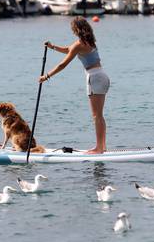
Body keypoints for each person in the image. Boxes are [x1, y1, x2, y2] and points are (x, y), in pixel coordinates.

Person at [39, 16, 110, 154]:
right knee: (99, 115)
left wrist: (46, 76)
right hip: (102, 76)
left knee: (96, 116)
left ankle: (99, 148)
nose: (72, 31)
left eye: (73, 29)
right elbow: (68, 49)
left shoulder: (79, 44)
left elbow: (63, 64)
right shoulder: (90, 42)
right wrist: (53, 47)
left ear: (77, 29)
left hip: (94, 78)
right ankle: (102, 146)